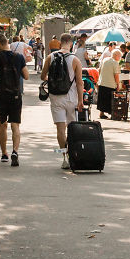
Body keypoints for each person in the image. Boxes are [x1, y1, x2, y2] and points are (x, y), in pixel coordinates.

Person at [40, 31, 83, 168]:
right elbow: (80, 82)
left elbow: (42, 76)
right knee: (71, 128)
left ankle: (65, 158)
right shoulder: (75, 60)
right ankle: (73, 154)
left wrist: (53, 80)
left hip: (55, 98)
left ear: (60, 43)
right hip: (71, 98)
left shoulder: (50, 57)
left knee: (60, 129)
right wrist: (81, 101)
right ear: (71, 43)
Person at [0, 34, 28, 165]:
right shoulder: (19, 57)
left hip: (1, 94)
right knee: (15, 125)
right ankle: (15, 151)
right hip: (15, 94)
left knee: (3, 124)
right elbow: (26, 76)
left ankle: (4, 153)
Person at [96, 46, 122, 118]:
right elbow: (116, 76)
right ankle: (112, 114)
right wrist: (118, 85)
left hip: (102, 82)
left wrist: (99, 80)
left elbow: (99, 70)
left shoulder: (105, 60)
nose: (120, 58)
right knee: (110, 100)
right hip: (110, 84)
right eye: (119, 56)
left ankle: (101, 113)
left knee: (102, 99)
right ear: (116, 55)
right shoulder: (115, 63)